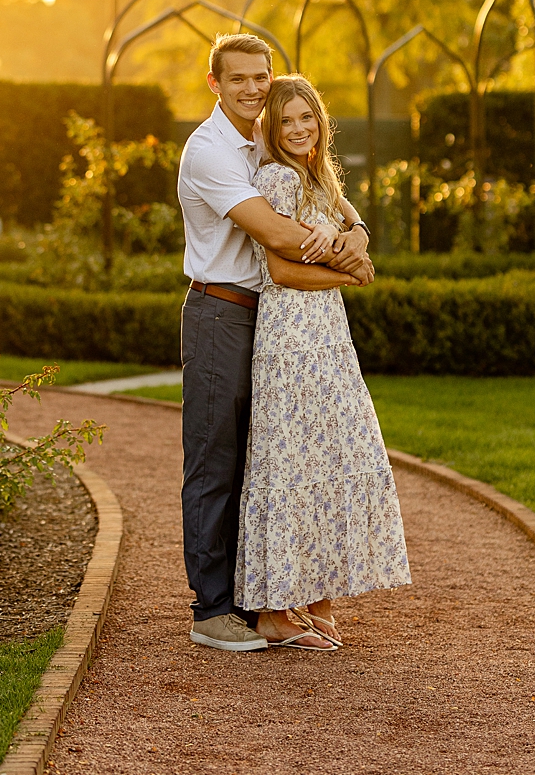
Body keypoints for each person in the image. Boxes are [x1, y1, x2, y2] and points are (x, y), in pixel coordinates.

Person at [177, 33, 372, 653]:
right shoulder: (210, 150)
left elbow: (321, 188)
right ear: (215, 84)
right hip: (219, 311)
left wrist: (358, 230)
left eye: (260, 76)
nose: (254, 88)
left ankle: (254, 597)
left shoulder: (264, 138)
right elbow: (276, 235)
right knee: (214, 461)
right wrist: (347, 262)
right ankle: (212, 610)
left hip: (268, 317)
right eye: (238, 79)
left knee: (256, 460)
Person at [234, 74, 410, 649]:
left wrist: (357, 238)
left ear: (320, 121)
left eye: (307, 117)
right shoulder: (277, 180)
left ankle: (316, 593)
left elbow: (352, 221)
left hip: (327, 337)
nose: (299, 128)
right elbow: (280, 271)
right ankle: (275, 609)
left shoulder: (317, 178)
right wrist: (348, 273)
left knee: (333, 455)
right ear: (272, 129)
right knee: (292, 464)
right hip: (292, 336)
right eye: (286, 121)